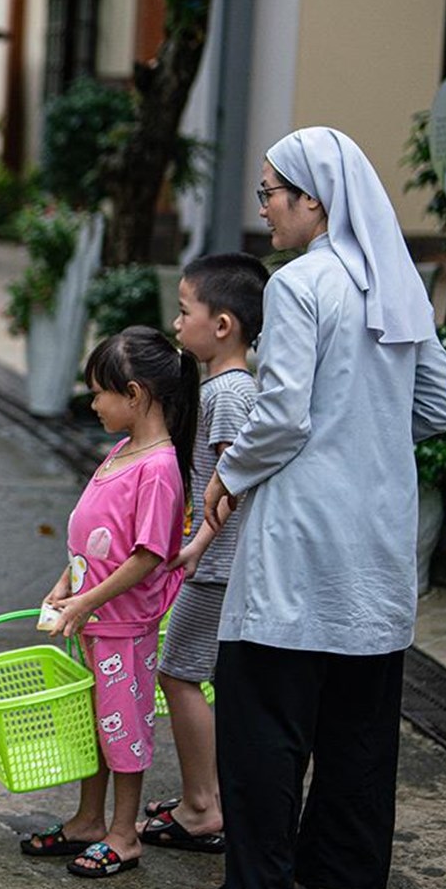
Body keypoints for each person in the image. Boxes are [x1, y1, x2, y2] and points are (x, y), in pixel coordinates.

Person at [172, 128, 446, 889]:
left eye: (271, 192)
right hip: (377, 538)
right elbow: (439, 406)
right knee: (356, 717)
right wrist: (366, 429)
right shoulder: (394, 280)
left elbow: (283, 414)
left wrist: (227, 478)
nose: (263, 208)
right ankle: (339, 874)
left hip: (301, 536)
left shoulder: (301, 286)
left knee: (263, 714)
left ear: (314, 201)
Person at [21, 326, 196, 879]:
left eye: (100, 392)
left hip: (122, 625)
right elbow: (98, 539)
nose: (93, 403)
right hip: (93, 616)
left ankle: (123, 835)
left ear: (135, 394)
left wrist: (86, 601)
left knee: (123, 726)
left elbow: (147, 555)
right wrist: (66, 584)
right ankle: (88, 820)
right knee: (93, 722)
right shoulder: (123, 451)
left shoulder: (160, 468)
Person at [139, 253, 267, 853]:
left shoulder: (231, 394)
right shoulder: (220, 387)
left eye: (185, 310)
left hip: (216, 569)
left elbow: (235, 484)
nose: (175, 321)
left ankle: (202, 806)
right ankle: (207, 796)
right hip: (213, 565)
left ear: (222, 325)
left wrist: (194, 548)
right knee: (190, 675)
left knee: (179, 675)